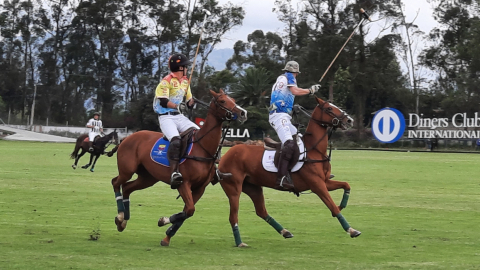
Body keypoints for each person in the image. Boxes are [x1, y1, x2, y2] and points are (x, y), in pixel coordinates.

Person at [269, 61, 320, 190]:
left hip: (282, 115)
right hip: (279, 116)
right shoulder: (289, 77)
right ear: (296, 72)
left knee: (300, 140)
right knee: (290, 145)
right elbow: (295, 91)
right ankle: (281, 179)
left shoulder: (281, 78)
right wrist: (310, 90)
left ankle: (310, 173)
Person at [153, 53, 199, 189]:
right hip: (166, 116)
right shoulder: (166, 81)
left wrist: (191, 102)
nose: (187, 69)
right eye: (185, 66)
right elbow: (163, 101)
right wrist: (177, 106)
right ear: (179, 67)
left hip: (179, 116)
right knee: (176, 140)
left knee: (200, 134)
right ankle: (174, 172)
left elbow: (188, 101)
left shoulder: (186, 81)